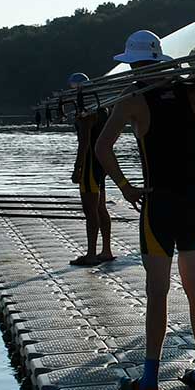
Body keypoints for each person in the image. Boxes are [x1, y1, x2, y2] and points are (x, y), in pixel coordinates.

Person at [95, 30, 195, 390]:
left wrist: (126, 187)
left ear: (133, 65)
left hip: (158, 204)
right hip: (193, 201)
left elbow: (101, 148)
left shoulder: (132, 100)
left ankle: (150, 381)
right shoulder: (189, 94)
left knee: (157, 293)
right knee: (193, 286)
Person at [66, 72, 114, 267]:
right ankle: (106, 250)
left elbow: (84, 142)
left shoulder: (87, 113)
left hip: (89, 165)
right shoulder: (103, 110)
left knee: (90, 210)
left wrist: (77, 168)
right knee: (101, 207)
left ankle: (92, 254)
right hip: (101, 163)